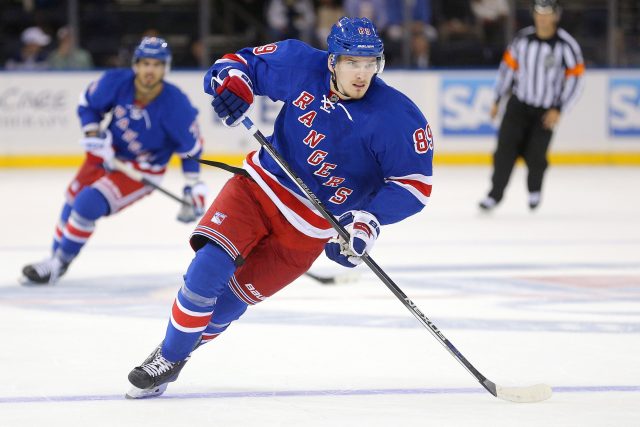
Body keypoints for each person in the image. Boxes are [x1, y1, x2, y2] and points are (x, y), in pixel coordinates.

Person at [125, 16, 434, 399]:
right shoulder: (302, 64)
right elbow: (232, 67)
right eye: (352, 62)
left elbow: (414, 186)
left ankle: (177, 350)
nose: (361, 73)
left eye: (370, 63)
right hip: (259, 189)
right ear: (332, 61)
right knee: (208, 268)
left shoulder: (397, 117)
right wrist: (234, 87)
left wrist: (367, 221)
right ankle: (168, 358)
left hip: (309, 229)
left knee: (228, 305)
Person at [20, 37, 207, 285]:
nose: (150, 70)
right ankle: (53, 261)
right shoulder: (116, 82)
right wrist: (92, 132)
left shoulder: (176, 104)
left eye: (157, 64)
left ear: (166, 68)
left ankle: (59, 262)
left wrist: (192, 184)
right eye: (145, 63)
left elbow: (191, 148)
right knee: (72, 200)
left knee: (87, 204)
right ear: (136, 65)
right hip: (106, 151)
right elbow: (88, 104)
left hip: (142, 169)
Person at [479, 0, 584, 211]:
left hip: (546, 111)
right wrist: (497, 99)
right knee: (503, 152)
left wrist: (560, 109)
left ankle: (534, 189)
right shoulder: (522, 39)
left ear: (556, 16)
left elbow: (576, 80)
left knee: (536, 156)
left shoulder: (566, 45)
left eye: (547, 14)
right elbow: (507, 69)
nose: (542, 19)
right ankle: (495, 194)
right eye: (538, 14)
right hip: (518, 105)